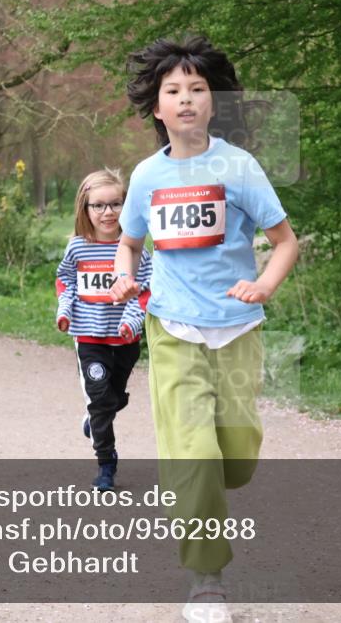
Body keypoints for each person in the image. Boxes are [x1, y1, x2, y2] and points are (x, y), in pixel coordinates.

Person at [109, 36, 299, 622]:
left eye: (197, 89)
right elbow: (129, 242)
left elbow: (284, 242)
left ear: (214, 102)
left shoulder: (238, 167)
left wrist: (264, 286)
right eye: (174, 91)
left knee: (234, 460)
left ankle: (215, 486)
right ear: (157, 107)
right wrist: (123, 277)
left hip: (238, 330)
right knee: (194, 455)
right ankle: (206, 581)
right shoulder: (145, 176)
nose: (186, 99)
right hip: (173, 330)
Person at [56, 168, 152, 492]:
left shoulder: (136, 249)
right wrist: (64, 311)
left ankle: (98, 415)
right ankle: (106, 465)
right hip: (90, 337)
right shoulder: (78, 249)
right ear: (85, 209)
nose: (107, 212)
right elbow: (65, 281)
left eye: (115, 204)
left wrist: (130, 322)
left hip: (125, 339)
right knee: (100, 401)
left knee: (113, 399)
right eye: (98, 205)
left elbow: (145, 291)